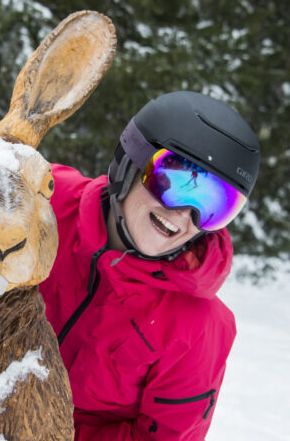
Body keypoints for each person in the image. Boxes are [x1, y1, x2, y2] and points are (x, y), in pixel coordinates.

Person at [39, 91, 260, 440]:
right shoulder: (45, 200)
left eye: (213, 204)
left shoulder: (197, 327)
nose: (185, 215)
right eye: (172, 181)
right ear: (130, 161)